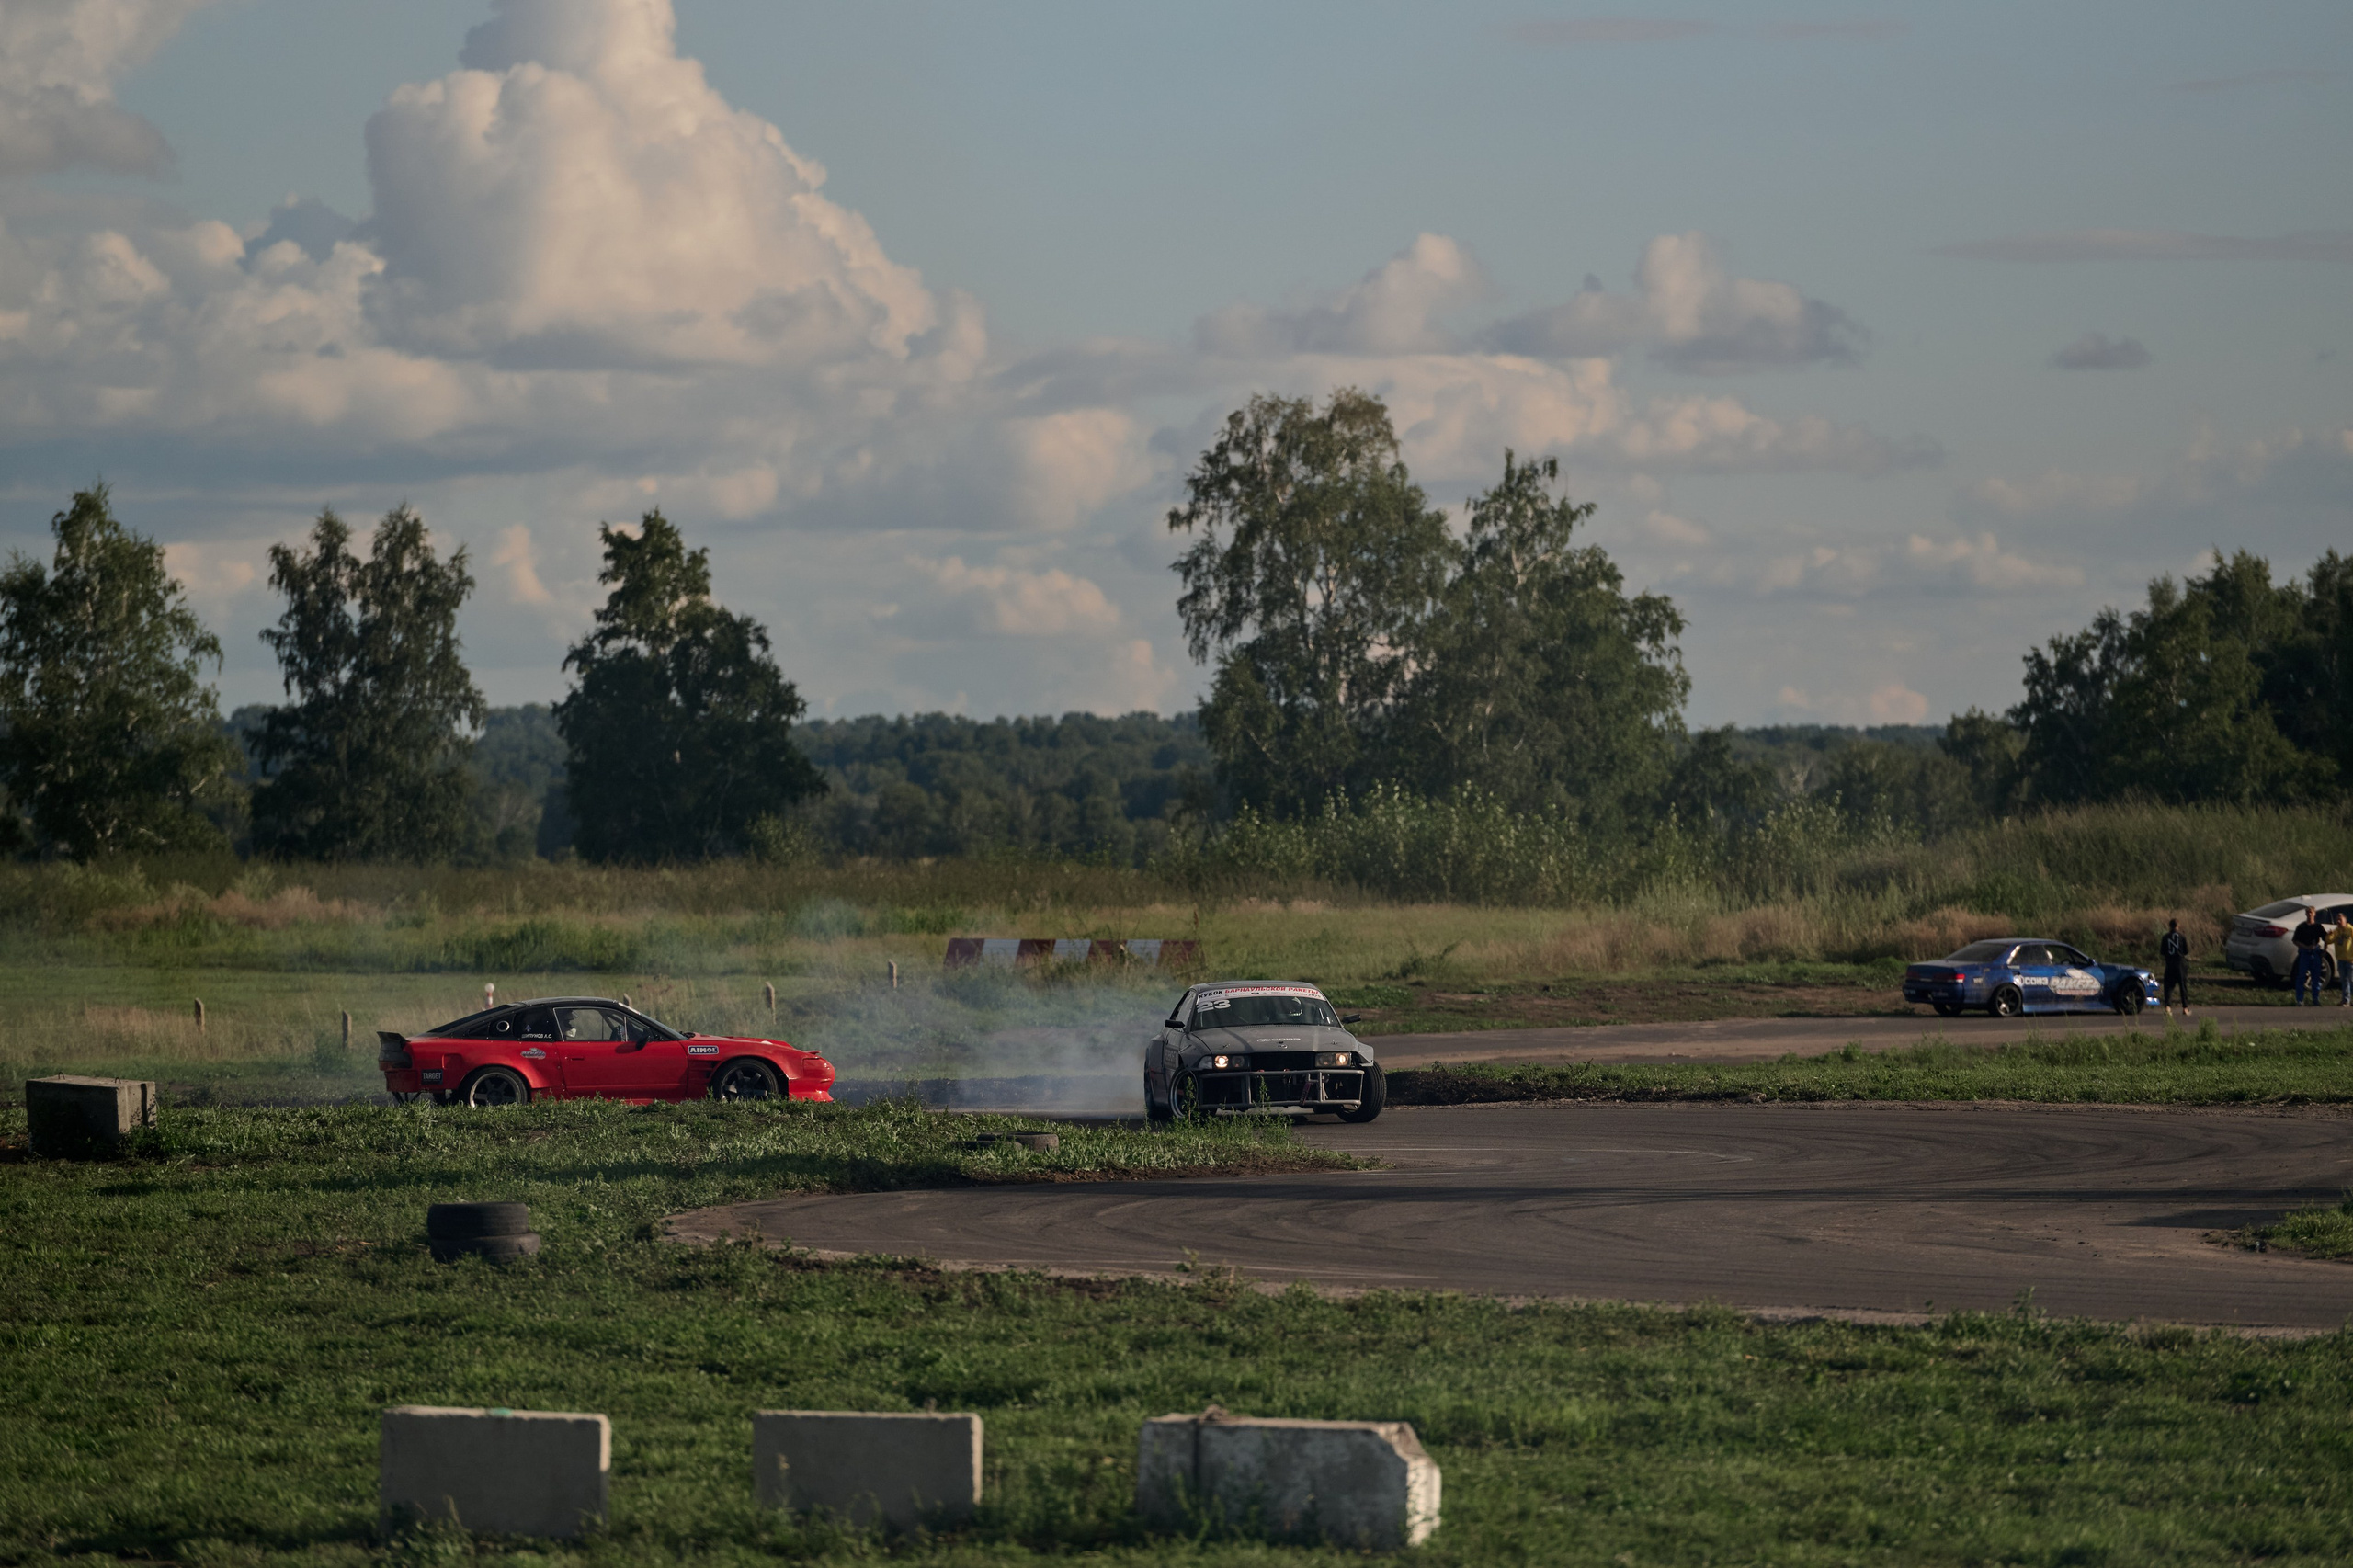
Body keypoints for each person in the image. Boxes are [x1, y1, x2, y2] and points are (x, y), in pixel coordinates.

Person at [2288, 906, 2328, 1005]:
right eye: (2308, 912)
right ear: (2306, 914)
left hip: (2315, 954)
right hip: (2304, 953)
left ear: (2314, 914)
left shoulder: (2318, 927)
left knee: (2316, 977)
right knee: (2301, 976)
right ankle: (2300, 999)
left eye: (2311, 912)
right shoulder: (2301, 927)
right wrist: (2306, 947)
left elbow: (2326, 938)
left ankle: (2315, 999)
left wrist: (2324, 951)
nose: (2310, 914)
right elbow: (2295, 941)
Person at [2158, 917, 2191, 1017]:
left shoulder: (2165, 937)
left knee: (2168, 986)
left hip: (2170, 964)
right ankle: (2185, 1008)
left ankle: (2168, 1007)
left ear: (2169, 926)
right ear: (2178, 926)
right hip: (2180, 963)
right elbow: (2186, 951)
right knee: (2183, 986)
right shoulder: (2182, 937)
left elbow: (2162, 952)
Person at [2332, 912, 2353, 1008]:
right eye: (2337, 920)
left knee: (2351, 980)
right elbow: (2329, 940)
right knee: (2344, 981)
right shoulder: (2336, 931)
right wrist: (2329, 935)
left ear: (2345, 920)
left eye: (2340, 919)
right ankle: (2345, 1000)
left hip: (2350, 960)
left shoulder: (2350, 929)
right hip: (2340, 959)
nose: (2339, 922)